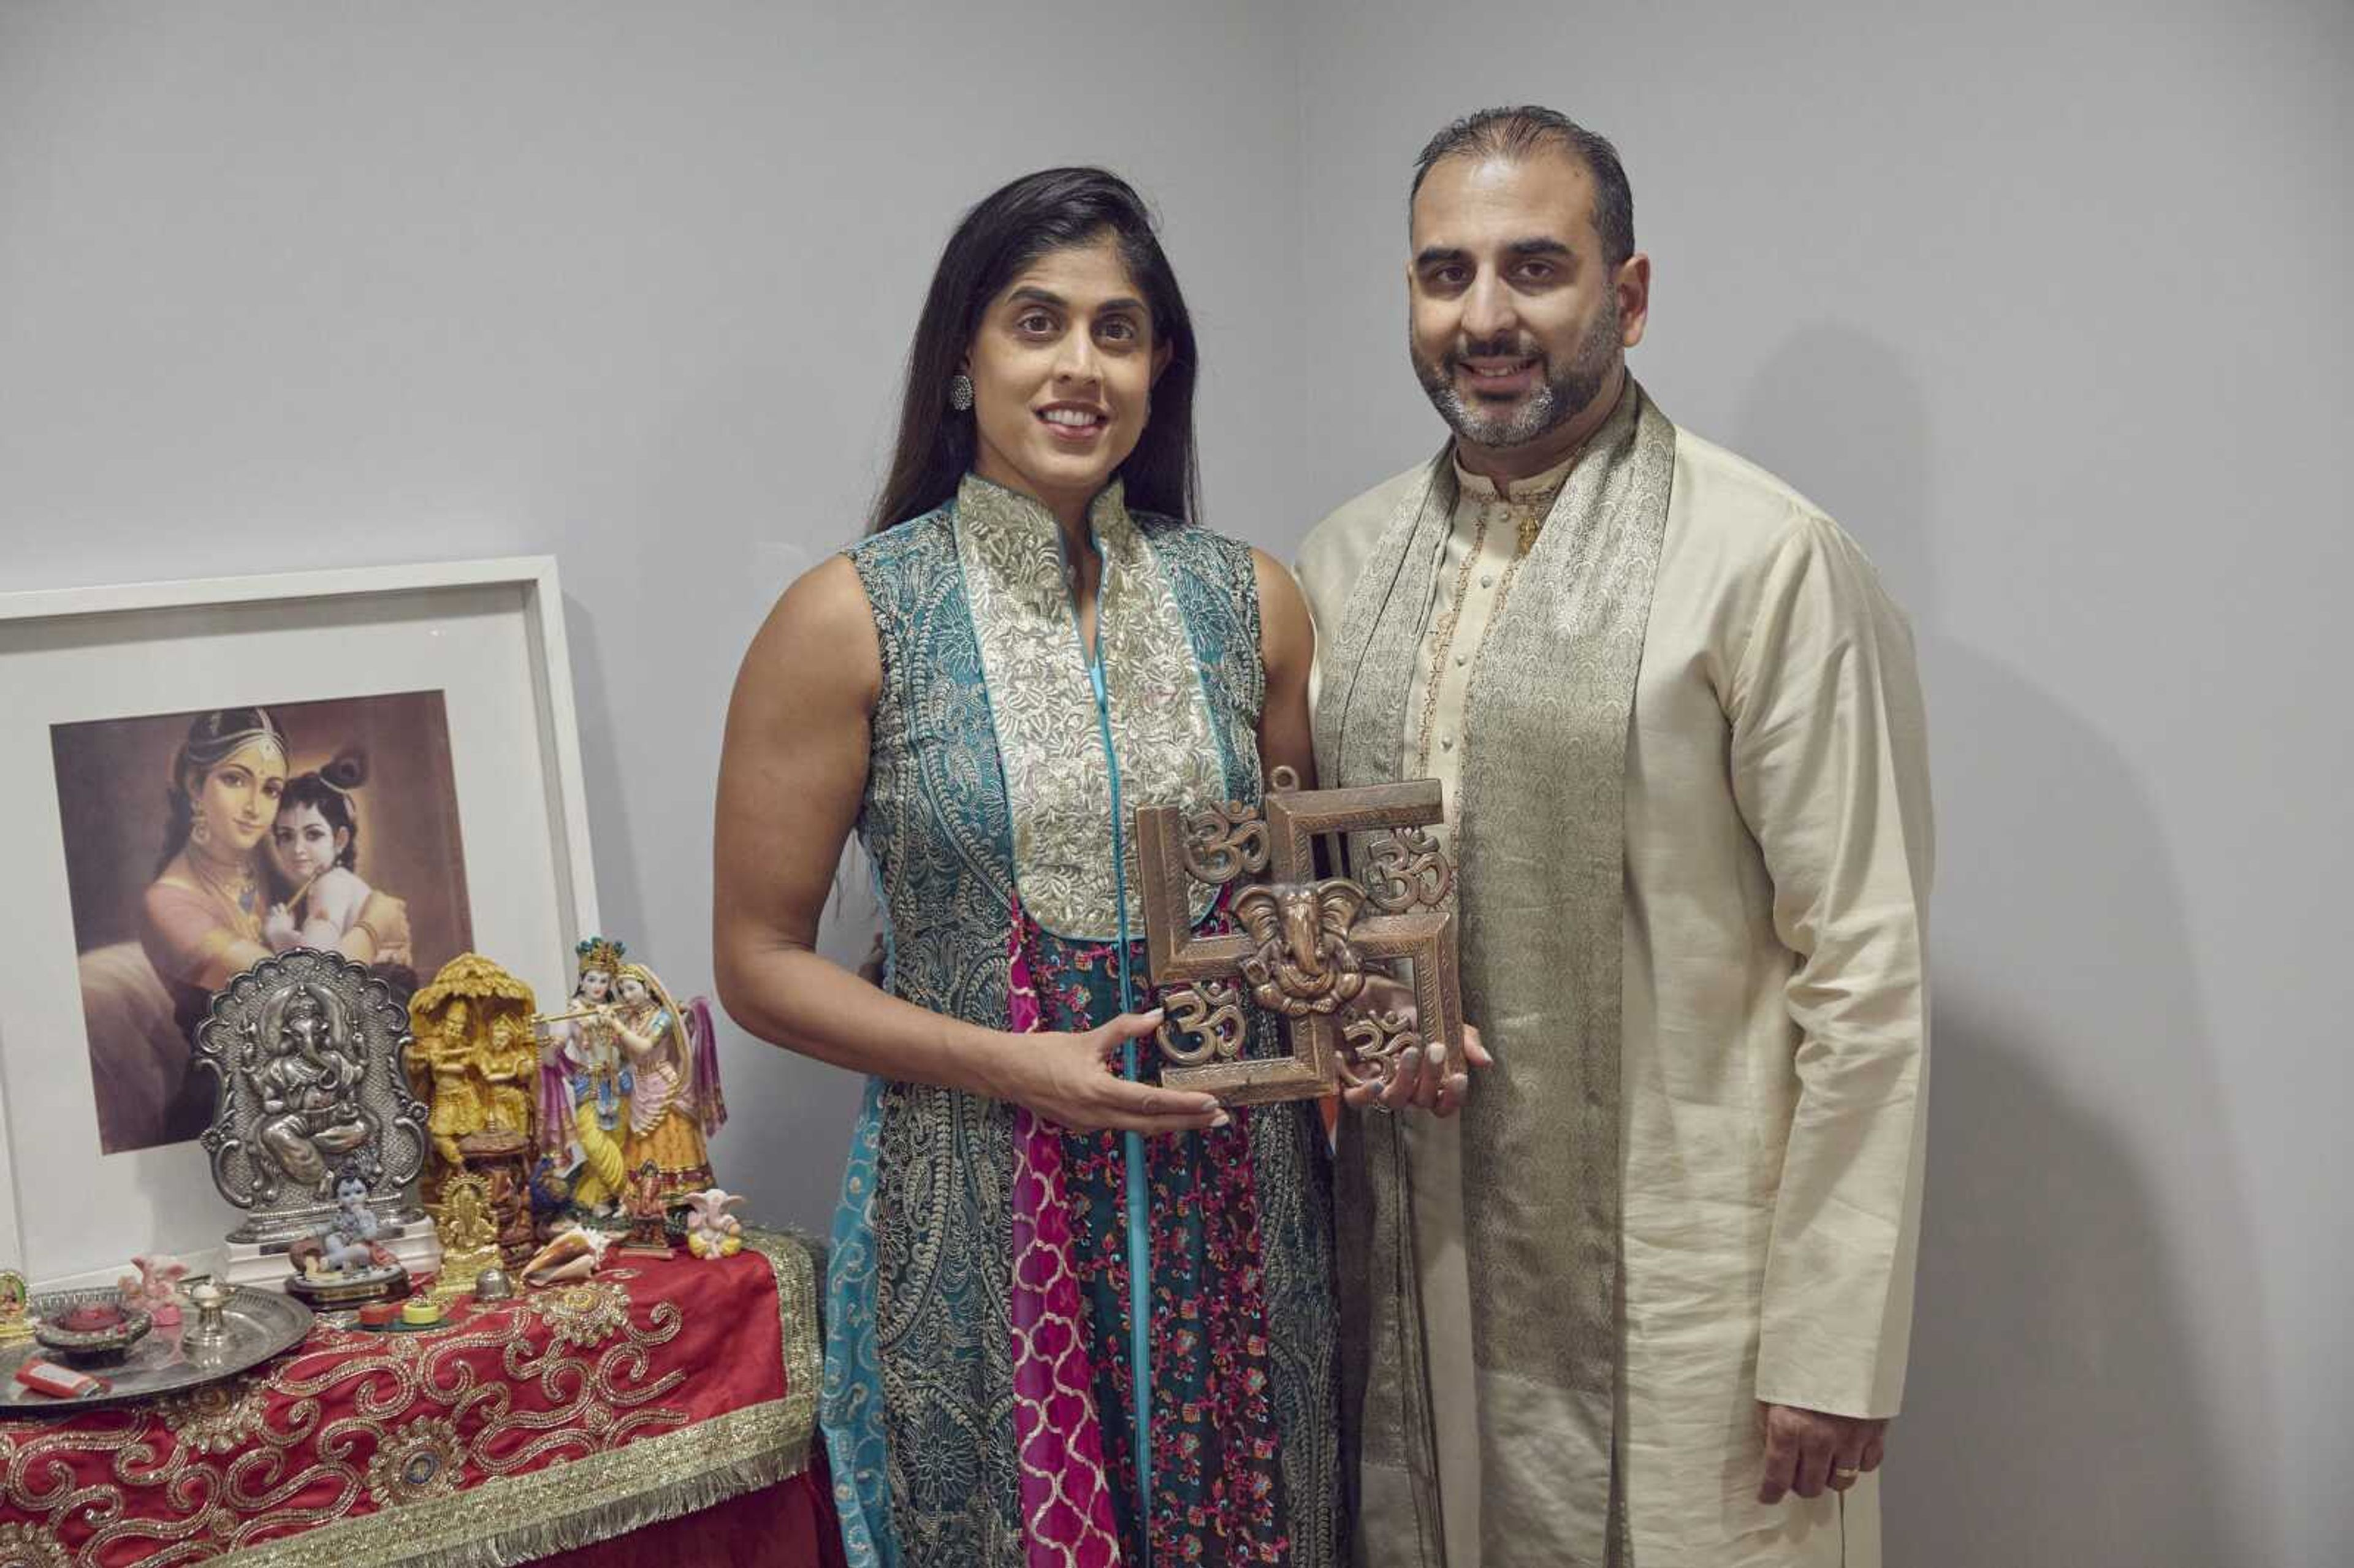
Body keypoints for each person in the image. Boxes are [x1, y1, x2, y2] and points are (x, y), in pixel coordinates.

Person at [1295, 107, 1933, 1567]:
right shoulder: (1342, 563)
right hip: (1422, 1279)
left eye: (1534, 268)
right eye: (1442, 274)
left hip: (1687, 1309)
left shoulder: (1763, 560)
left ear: (1626, 296)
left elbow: (1865, 968)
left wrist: (1831, 1340)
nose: (1484, 317)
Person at [714, 167, 1339, 1567]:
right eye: (1035, 322)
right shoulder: (847, 617)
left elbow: (1316, 918)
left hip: (1240, 1212)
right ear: (962, 359)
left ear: (1159, 363)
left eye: (1117, 330)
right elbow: (755, 967)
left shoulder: (1253, 601)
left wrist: (1391, 1026)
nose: (1078, 366)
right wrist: (1019, 1062)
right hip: (981, 1211)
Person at [261, 751, 412, 972]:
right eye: (286, 836)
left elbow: (314, 970)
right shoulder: (334, 881)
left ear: (340, 839)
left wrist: (279, 934)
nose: (297, 849)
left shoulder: (330, 885)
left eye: (313, 835)